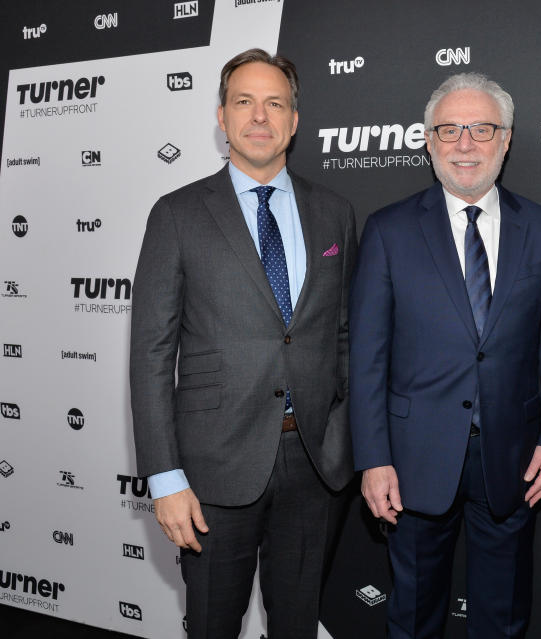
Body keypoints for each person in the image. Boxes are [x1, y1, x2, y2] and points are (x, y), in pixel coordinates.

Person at [129, 48, 356, 639]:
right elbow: (151, 353)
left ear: (295, 120)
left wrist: (343, 431)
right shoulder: (176, 214)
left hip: (313, 462)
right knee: (210, 625)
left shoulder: (333, 213)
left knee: (297, 625)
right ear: (222, 118)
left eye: (275, 103)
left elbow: (344, 334)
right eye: (245, 102)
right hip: (213, 468)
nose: (261, 116)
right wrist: (164, 477)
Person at [349, 72, 541, 638]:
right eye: (449, 130)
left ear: (506, 139)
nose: (465, 143)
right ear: (428, 142)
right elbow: (368, 359)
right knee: (413, 617)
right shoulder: (388, 231)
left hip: (513, 460)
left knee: (501, 620)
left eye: (482, 128)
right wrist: (373, 458)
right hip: (412, 462)